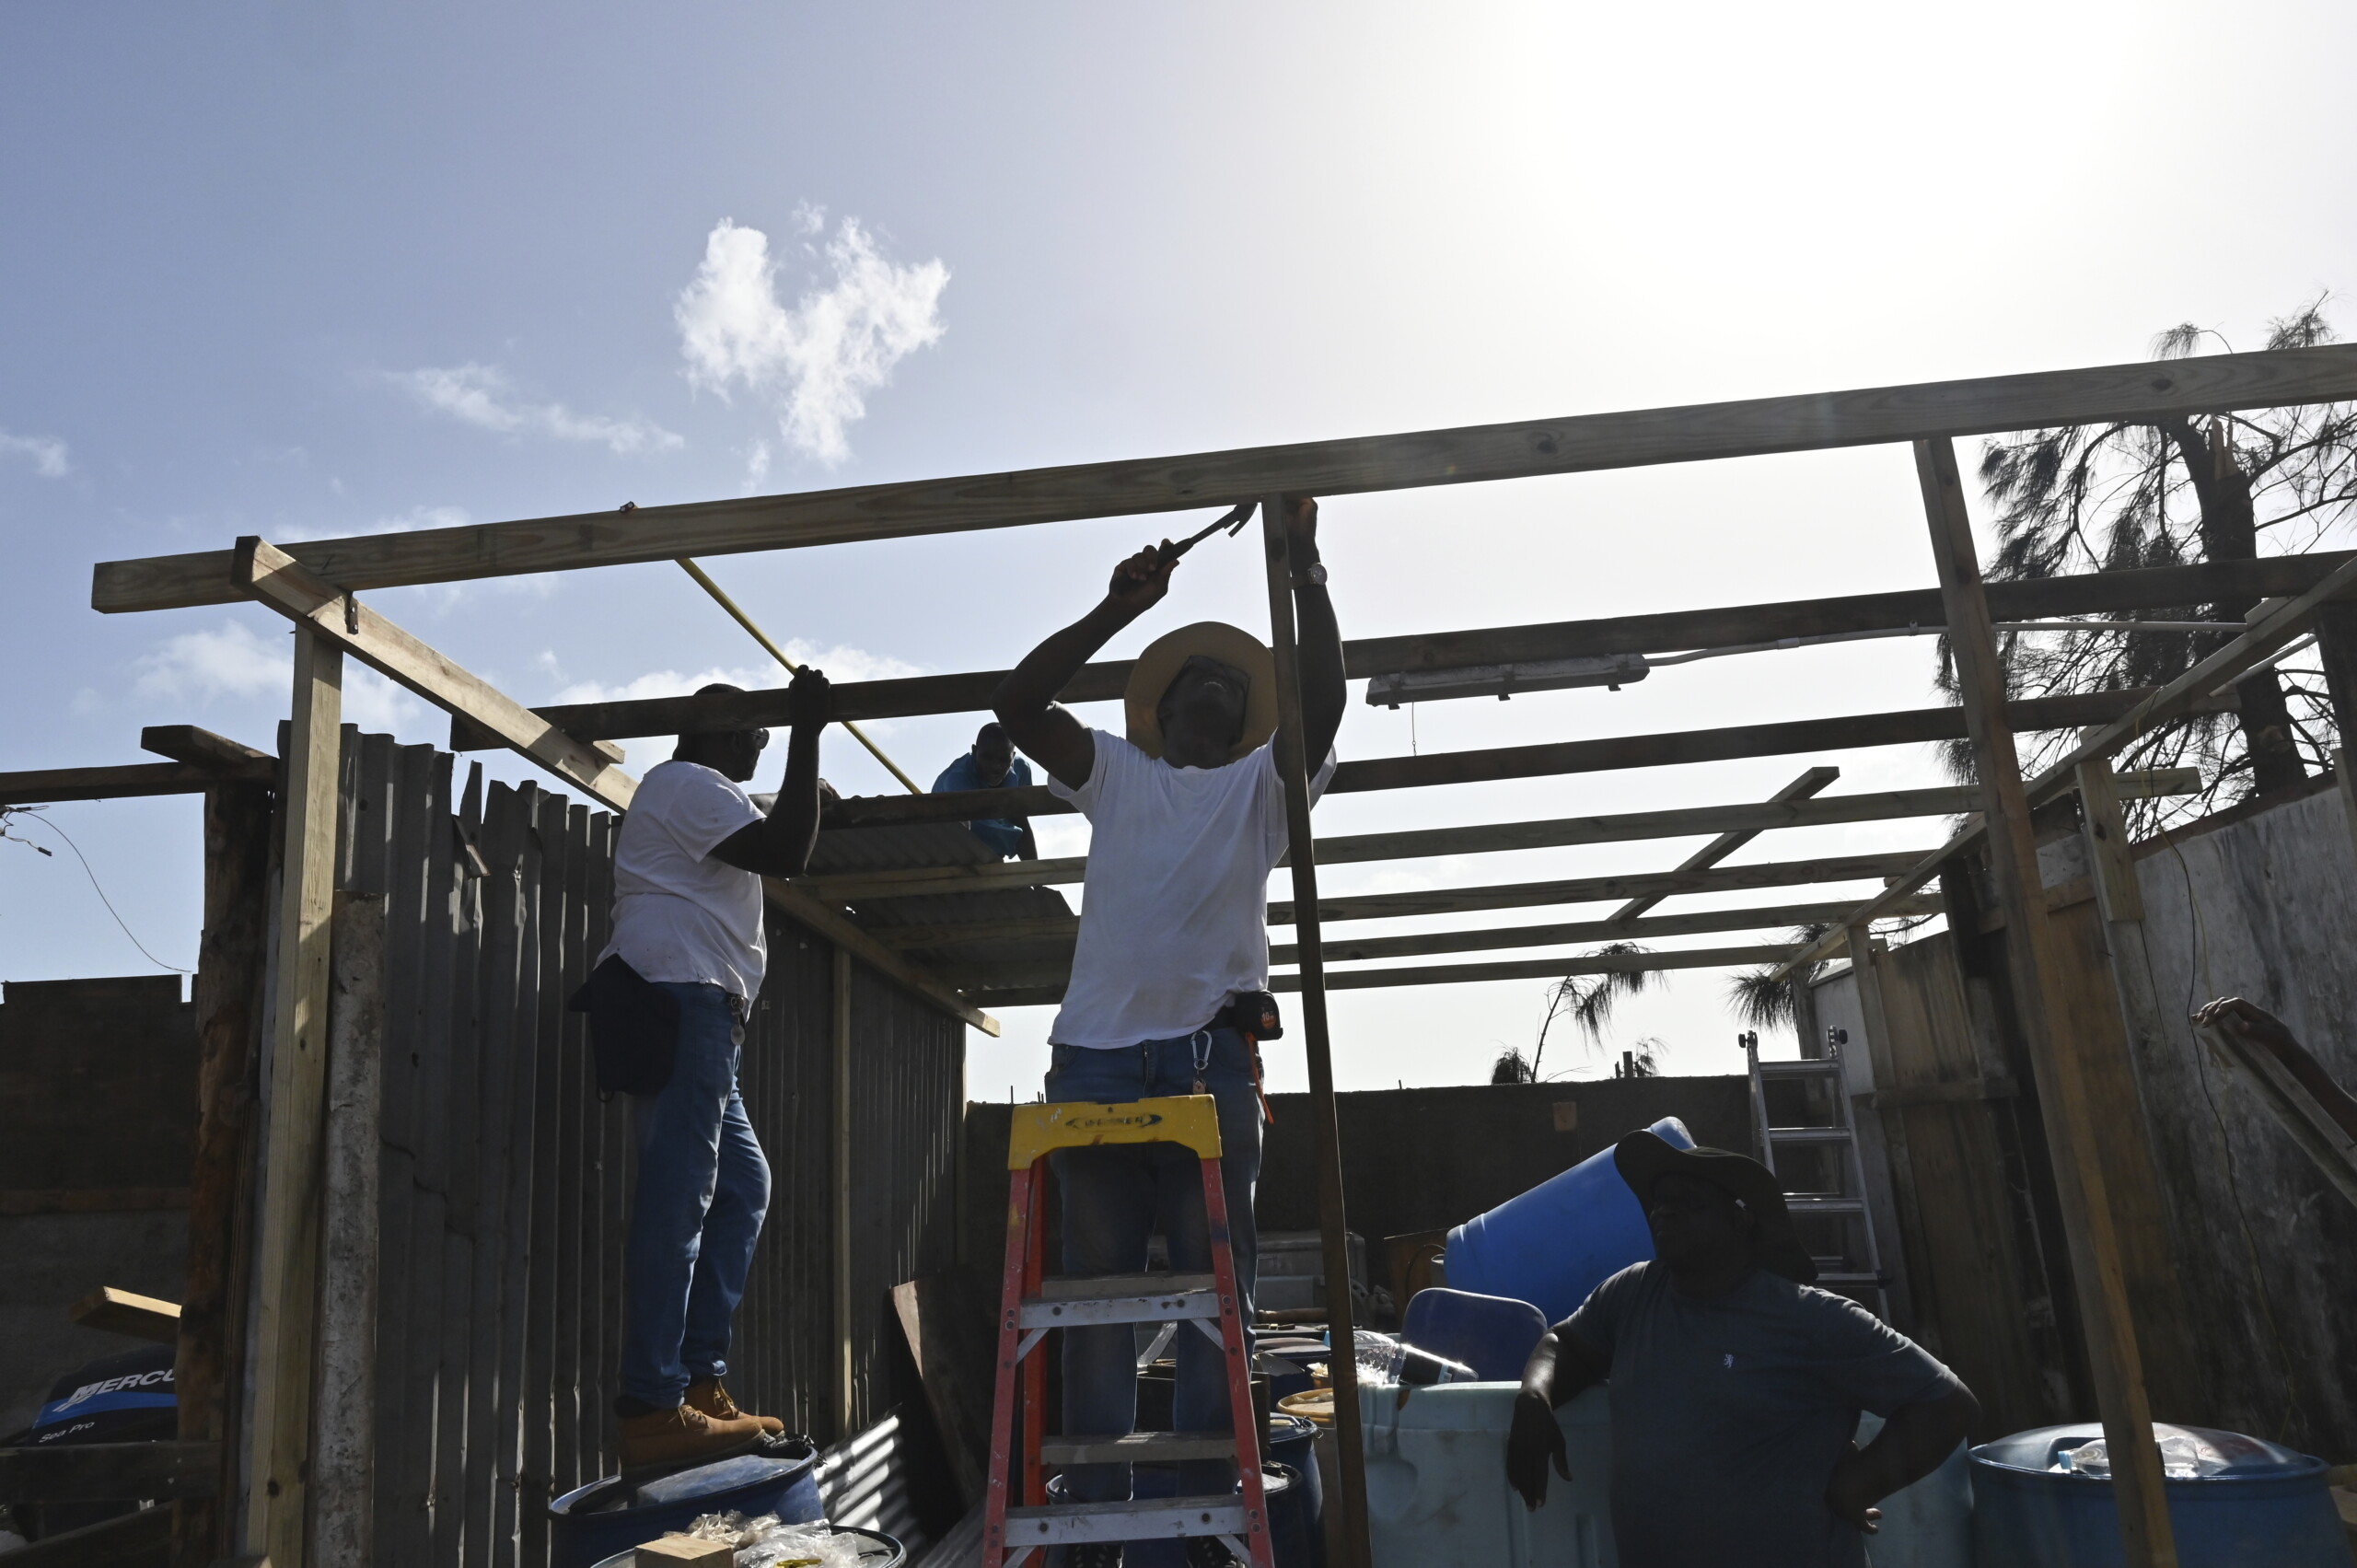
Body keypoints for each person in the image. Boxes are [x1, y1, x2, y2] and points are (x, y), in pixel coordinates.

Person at [993, 498, 1342, 1568]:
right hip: (1095, 1058)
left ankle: (1191, 1517)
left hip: (1208, 1059)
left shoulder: (1263, 790)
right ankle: (1096, 1512)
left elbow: (1323, 705)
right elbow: (1015, 703)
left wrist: (1305, 568)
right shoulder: (1118, 773)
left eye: (1234, 683)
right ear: (1166, 705)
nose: (1216, 682)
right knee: (1095, 1290)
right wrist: (1118, 604)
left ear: (1243, 720)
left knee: (1209, 1288)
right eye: (1198, 674)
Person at [1506, 1131, 1979, 1568]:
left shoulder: (1810, 1318)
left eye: (1686, 1202)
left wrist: (1857, 1485)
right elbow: (1566, 1343)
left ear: (1738, 1219)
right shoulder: (1632, 1294)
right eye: (1659, 1202)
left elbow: (1946, 1404)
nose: (1662, 1212)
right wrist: (1534, 1398)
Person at [601, 670, 830, 1474]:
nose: (762, 748)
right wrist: (809, 728)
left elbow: (775, 841)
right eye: (759, 736)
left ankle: (697, 1382)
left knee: (742, 1186)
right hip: (683, 1002)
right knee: (682, 1194)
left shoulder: (699, 795)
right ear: (725, 732)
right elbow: (787, 851)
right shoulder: (689, 782)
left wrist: (800, 754)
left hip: (706, 1016)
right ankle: (654, 1401)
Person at [931, 720, 1038, 859]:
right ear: (975, 752)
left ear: (1013, 757)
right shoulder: (956, 779)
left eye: (1003, 759)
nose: (995, 767)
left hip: (992, 845)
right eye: (987, 757)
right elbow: (967, 831)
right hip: (948, 845)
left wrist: (1037, 877)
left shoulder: (1021, 769)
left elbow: (1021, 820)